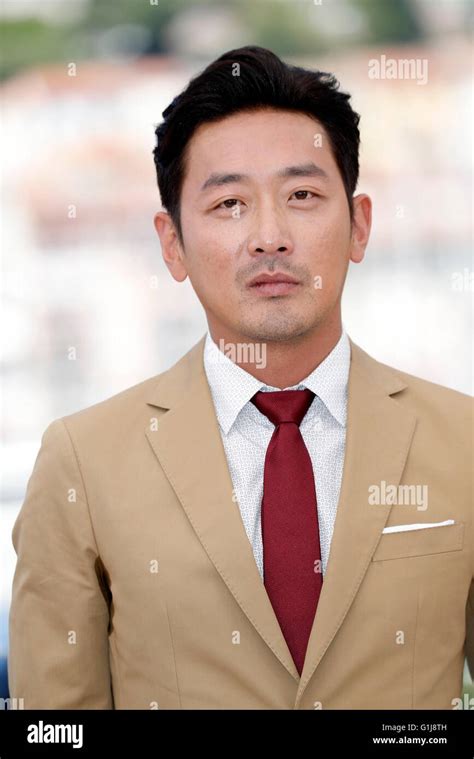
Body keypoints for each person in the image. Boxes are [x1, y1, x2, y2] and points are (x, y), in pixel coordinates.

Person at [8, 46, 473, 710]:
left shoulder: (464, 440)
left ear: (360, 225)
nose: (269, 235)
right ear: (173, 245)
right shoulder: (82, 462)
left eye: (303, 195)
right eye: (228, 203)